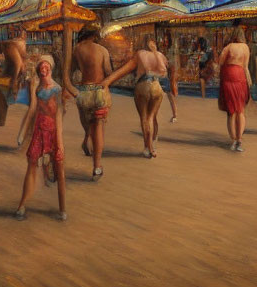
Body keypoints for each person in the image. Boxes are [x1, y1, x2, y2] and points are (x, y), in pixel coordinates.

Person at [14, 55, 66, 221]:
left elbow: (58, 115)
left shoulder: (57, 89)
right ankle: (22, 204)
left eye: (46, 67)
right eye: (41, 68)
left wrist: (60, 142)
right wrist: (22, 134)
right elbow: (32, 110)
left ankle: (62, 208)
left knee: (59, 167)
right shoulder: (36, 88)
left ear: (50, 68)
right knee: (31, 165)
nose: (43, 70)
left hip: (52, 130)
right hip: (38, 130)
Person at [104, 38, 168, 159]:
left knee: (144, 118)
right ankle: (152, 147)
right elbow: (164, 72)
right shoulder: (160, 55)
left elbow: (124, 70)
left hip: (143, 85)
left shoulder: (139, 55)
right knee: (152, 117)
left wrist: (107, 81)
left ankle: (147, 147)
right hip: (156, 87)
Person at [70, 24, 113, 181]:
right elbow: (108, 72)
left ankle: (86, 138)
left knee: (88, 125)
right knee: (99, 129)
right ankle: (96, 167)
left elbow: (72, 72)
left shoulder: (77, 49)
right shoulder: (102, 50)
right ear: (95, 35)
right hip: (100, 93)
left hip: (84, 92)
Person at [218, 27, 251, 152]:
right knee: (240, 110)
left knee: (231, 111)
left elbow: (220, 62)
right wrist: (249, 82)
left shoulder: (229, 47)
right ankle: (239, 140)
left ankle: (233, 140)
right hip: (241, 78)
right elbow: (246, 67)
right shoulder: (246, 48)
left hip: (229, 77)